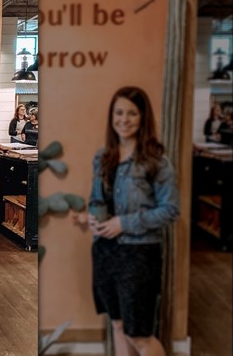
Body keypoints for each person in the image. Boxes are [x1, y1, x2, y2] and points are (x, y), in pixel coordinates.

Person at [88, 86, 179, 356]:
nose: (124, 119)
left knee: (139, 334)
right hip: (105, 250)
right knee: (116, 324)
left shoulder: (156, 162)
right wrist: (95, 218)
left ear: (143, 118)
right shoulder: (103, 158)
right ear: (111, 116)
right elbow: (96, 199)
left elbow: (170, 210)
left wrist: (123, 223)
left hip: (138, 253)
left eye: (132, 113)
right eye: (119, 112)